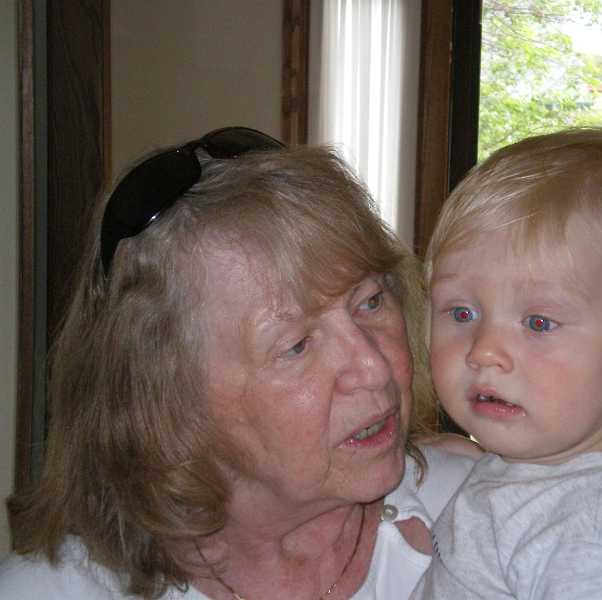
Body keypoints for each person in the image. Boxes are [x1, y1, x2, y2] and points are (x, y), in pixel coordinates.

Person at [0, 127, 477, 599]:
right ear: (169, 406)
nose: (374, 367)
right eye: (296, 345)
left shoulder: (482, 516)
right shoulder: (49, 591)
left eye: (370, 301)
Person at [412, 128, 602, 599]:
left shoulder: (601, 538)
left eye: (538, 322)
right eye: (461, 313)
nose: (483, 351)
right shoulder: (554, 470)